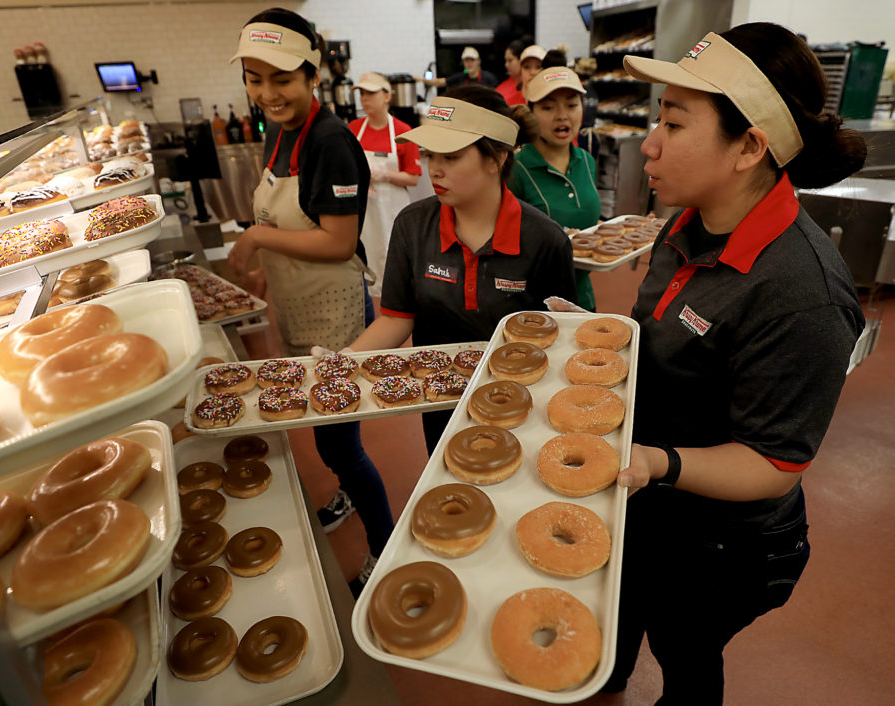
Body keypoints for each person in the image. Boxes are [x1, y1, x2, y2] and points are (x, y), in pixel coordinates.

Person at [600, 23, 867, 704]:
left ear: (750, 146)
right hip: (655, 501)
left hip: (725, 547)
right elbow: (655, 330)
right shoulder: (685, 222)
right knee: (620, 615)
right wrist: (598, 338)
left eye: (674, 122)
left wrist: (658, 462)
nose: (648, 144)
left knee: (686, 652)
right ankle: (607, 675)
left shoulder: (802, 292)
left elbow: (775, 464)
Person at [226, 7, 393, 596]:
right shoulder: (282, 132)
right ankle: (350, 496)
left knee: (338, 440)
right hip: (298, 305)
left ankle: (384, 546)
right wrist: (267, 277)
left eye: (281, 78)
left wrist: (257, 239)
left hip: (337, 310)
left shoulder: (330, 142)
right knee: (326, 430)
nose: (267, 93)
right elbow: (283, 212)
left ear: (312, 75)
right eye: (254, 78)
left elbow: (338, 240)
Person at [347, 85, 577, 454]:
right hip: (441, 403)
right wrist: (344, 362)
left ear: (497, 157)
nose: (434, 169)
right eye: (429, 154)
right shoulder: (413, 226)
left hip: (520, 405)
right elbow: (396, 318)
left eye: (451, 156)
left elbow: (560, 340)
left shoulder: (544, 240)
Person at [509, 67, 600, 311]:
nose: (562, 115)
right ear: (532, 112)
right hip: (534, 305)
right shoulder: (516, 169)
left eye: (571, 105)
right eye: (548, 108)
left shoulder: (586, 160)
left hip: (582, 298)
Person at [349, 72, 422, 298]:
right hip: (364, 211)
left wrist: (385, 174)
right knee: (366, 257)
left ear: (387, 96)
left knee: (393, 258)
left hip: (392, 211)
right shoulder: (353, 128)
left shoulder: (403, 131)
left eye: (371, 93)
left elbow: (413, 178)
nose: (365, 99)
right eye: (362, 94)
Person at [420, 47, 498, 91]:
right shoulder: (460, 77)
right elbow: (439, 82)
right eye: (466, 60)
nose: (469, 63)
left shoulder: (489, 78)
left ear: (479, 62)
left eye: (472, 60)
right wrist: (419, 79)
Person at [494, 39, 528, 105]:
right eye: (506, 61)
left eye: (510, 60)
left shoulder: (537, 86)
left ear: (522, 61)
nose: (506, 65)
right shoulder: (500, 91)